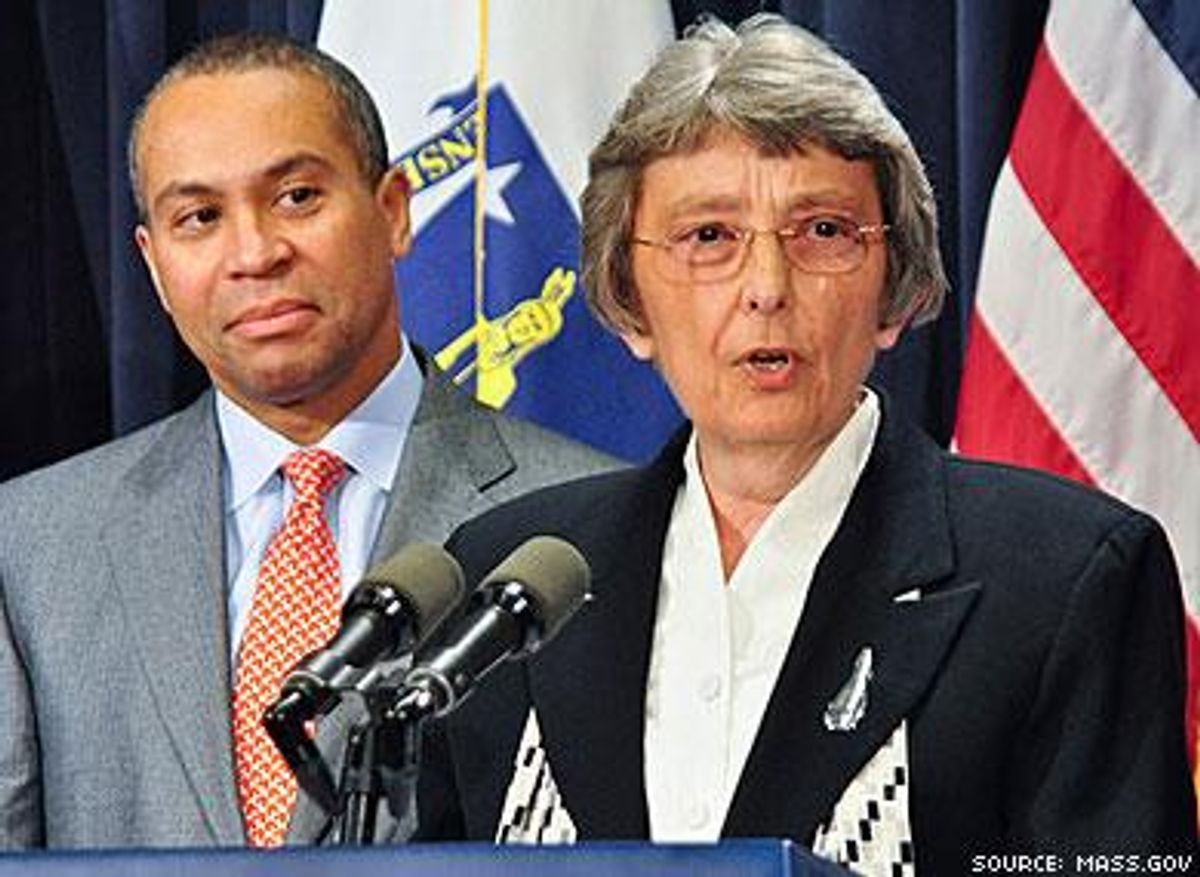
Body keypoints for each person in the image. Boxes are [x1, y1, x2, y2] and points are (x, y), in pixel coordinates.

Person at [412, 14, 1198, 874]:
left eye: (823, 231)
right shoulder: (507, 580)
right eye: (709, 236)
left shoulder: (1064, 577)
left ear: (893, 288)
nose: (766, 287)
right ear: (628, 300)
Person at [0, 33, 615, 849]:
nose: (255, 254)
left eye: (296, 196)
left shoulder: (585, 526)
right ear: (153, 265)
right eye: (200, 217)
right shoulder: (33, 544)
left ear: (393, 211)